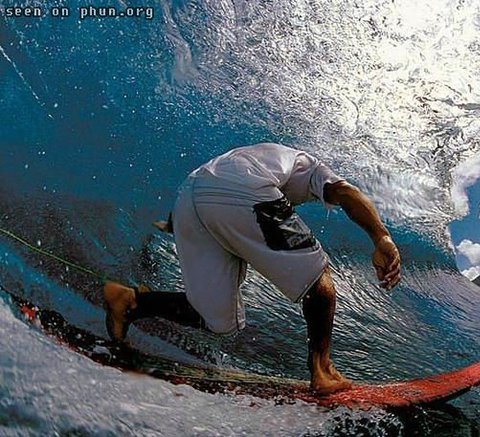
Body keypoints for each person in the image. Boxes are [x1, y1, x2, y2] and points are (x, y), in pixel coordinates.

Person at [103, 143, 401, 394]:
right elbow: (347, 194)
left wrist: (177, 224)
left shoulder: (257, 156)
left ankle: (131, 301)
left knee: (218, 320)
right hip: (244, 190)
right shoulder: (311, 168)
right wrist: (381, 238)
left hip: (189, 197)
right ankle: (322, 371)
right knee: (317, 276)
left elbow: (210, 189)